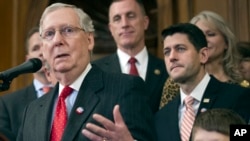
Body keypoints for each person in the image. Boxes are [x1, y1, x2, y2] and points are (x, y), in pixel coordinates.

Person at [17, 3, 155, 141]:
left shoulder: (125, 88)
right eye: (49, 34)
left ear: (89, 40)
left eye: (68, 30)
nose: (57, 40)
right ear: (44, 49)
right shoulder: (32, 111)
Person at [154, 23, 250, 141]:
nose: (172, 57)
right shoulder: (161, 117)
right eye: (167, 52)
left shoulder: (238, 96)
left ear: (203, 55)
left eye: (180, 49)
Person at [92, 0, 167, 113]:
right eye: (117, 19)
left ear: (145, 22)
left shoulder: (167, 69)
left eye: (131, 16)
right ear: (111, 29)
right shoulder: (95, 72)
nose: (125, 24)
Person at [160, 10, 243, 109]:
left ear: (226, 42)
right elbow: (167, 119)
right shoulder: (174, 83)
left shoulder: (241, 85)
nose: (205, 40)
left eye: (211, 34)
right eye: (199, 35)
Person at [0, 27, 54, 140]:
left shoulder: (71, 94)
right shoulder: (8, 103)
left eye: (45, 45)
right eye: (35, 48)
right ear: (27, 59)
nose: (41, 52)